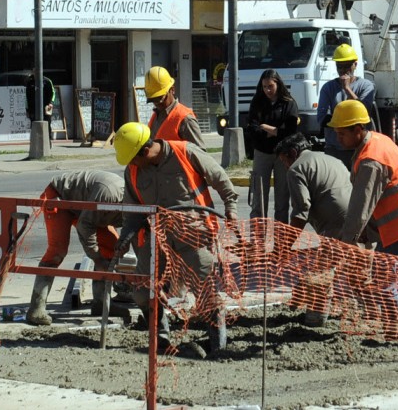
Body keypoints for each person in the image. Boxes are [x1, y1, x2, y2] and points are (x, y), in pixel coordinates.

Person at [113, 121, 240, 356]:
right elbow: (132, 211)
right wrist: (125, 237)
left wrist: (230, 206)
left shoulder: (185, 152)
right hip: (158, 238)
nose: (131, 164)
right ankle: (161, 338)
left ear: (145, 150)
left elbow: (220, 178)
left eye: (133, 158)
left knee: (206, 289)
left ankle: (218, 345)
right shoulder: (133, 170)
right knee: (143, 291)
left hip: (193, 234)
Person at [25, 169, 125, 326]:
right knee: (57, 251)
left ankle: (101, 304)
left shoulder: (136, 205)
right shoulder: (109, 196)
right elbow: (84, 226)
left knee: (111, 248)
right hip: (60, 196)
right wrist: (97, 259)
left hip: (87, 207)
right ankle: (36, 310)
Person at [333, 100, 398, 256]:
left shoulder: (371, 162)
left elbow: (359, 211)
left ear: (357, 129)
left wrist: (345, 246)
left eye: (342, 134)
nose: (338, 139)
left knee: (387, 278)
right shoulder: (377, 139)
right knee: (384, 275)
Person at [244, 69, 299, 222]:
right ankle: (258, 242)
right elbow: (252, 129)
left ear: (278, 84)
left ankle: (281, 244)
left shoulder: (289, 103)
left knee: (282, 201)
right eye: (264, 87)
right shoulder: (257, 102)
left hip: (283, 154)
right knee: (259, 200)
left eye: (270, 86)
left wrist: (266, 128)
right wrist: (274, 131)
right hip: (262, 153)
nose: (267, 90)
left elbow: (289, 131)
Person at [316, 43, 376, 170]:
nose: (343, 70)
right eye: (340, 66)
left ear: (355, 64)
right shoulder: (328, 88)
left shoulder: (366, 85)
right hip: (335, 149)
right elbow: (322, 118)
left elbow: (365, 111)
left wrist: (347, 89)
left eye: (347, 66)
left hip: (359, 147)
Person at [276, 135, 351, 238]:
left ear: (293, 152)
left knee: (333, 254)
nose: (285, 166)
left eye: (284, 161)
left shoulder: (295, 169)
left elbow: (301, 210)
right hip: (356, 219)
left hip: (334, 225)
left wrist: (286, 246)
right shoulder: (332, 159)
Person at [144, 65, 204, 146]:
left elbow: (200, 154)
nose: (157, 103)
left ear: (172, 90)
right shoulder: (155, 116)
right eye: (153, 99)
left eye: (160, 98)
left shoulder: (185, 119)